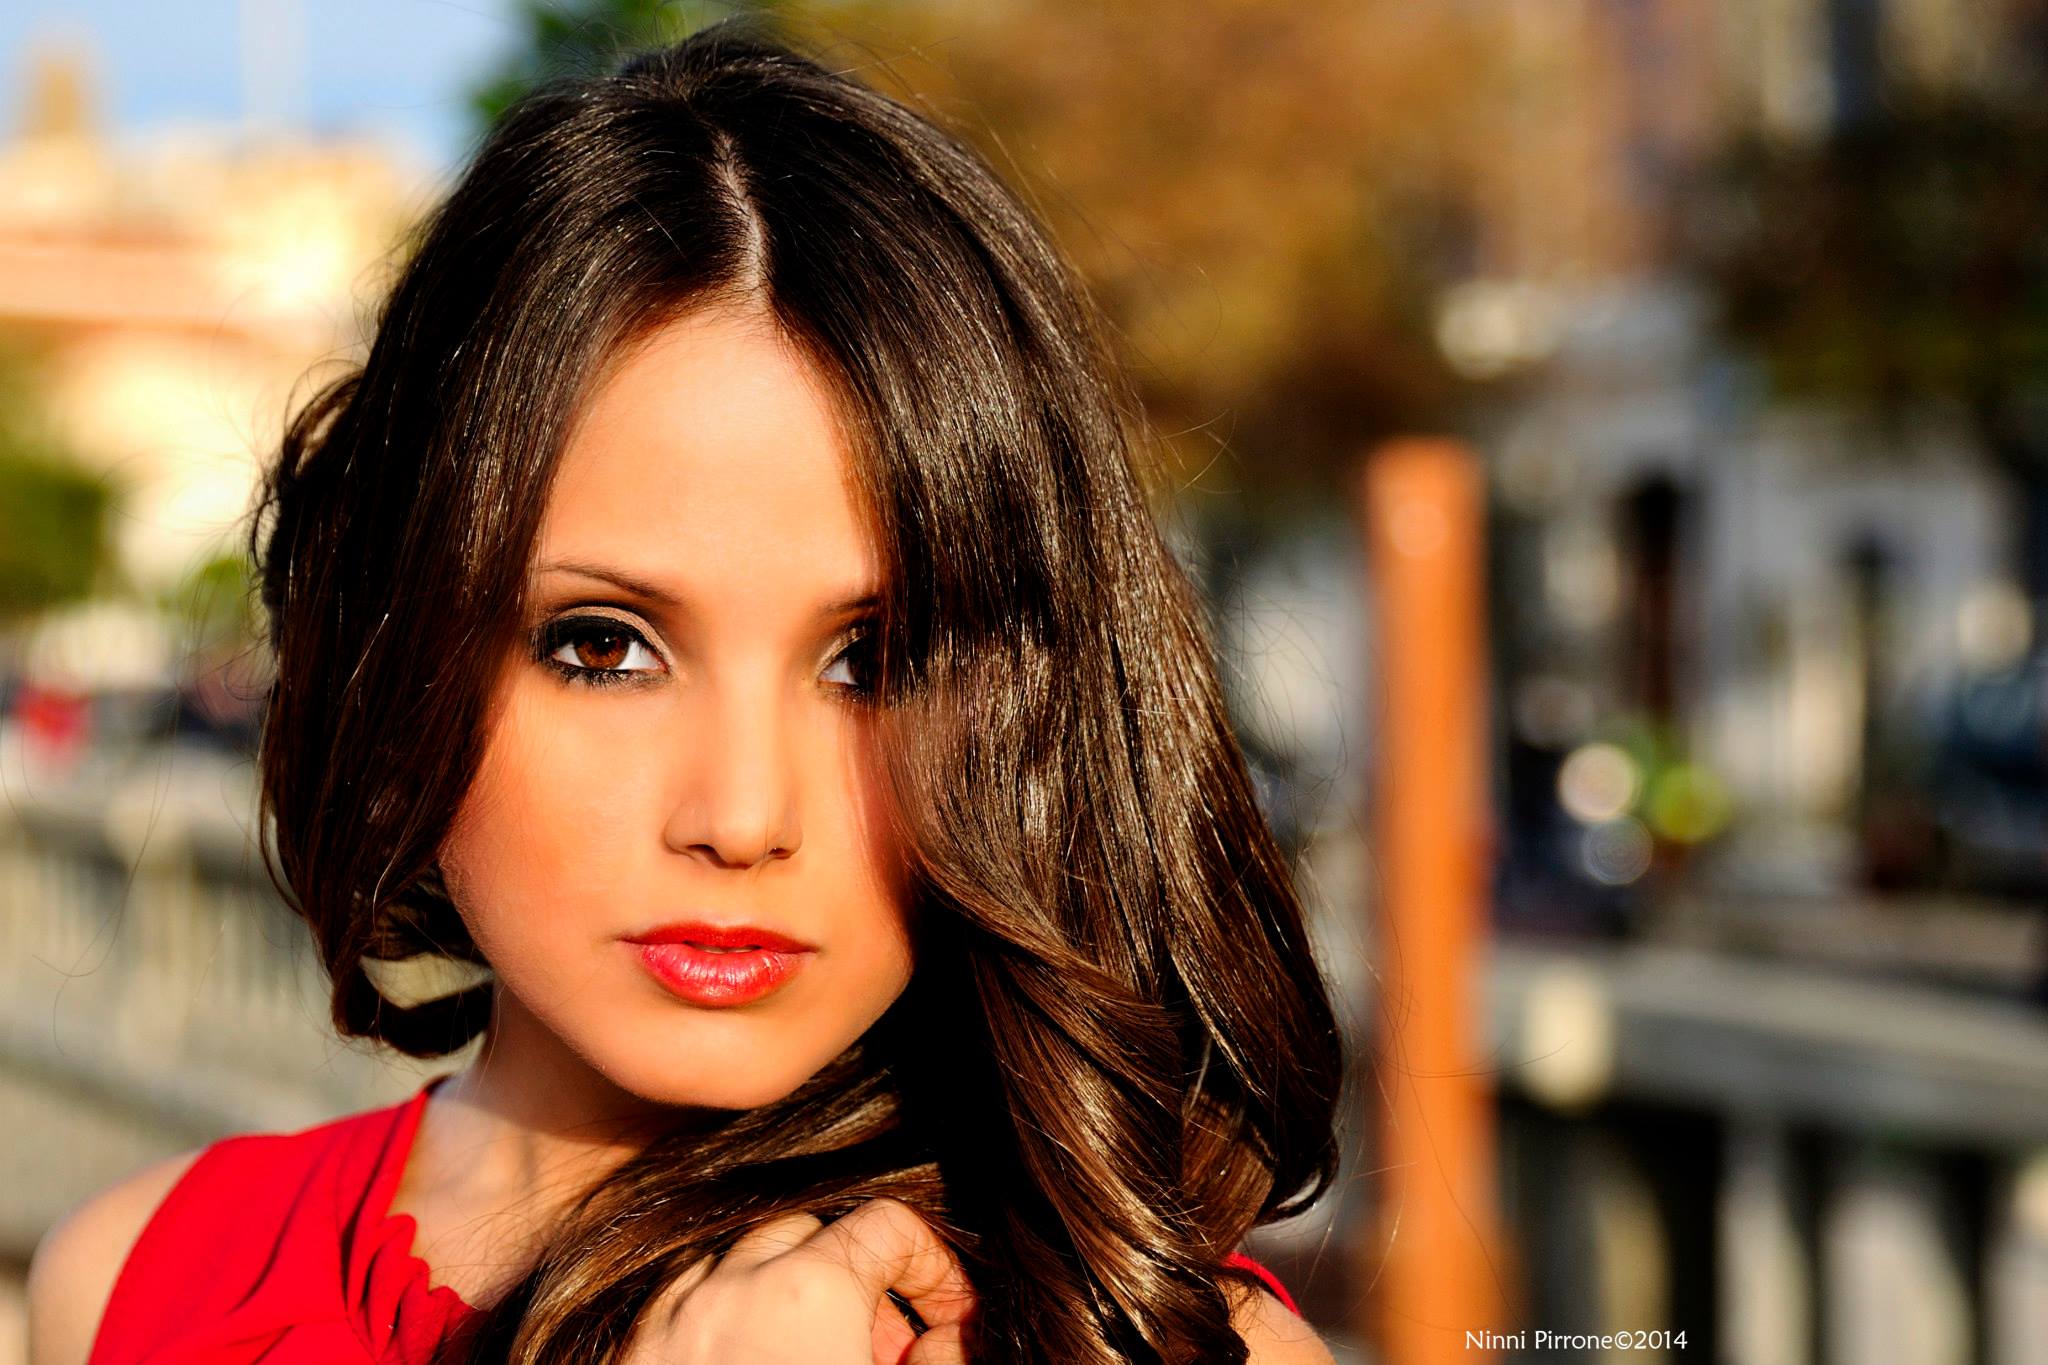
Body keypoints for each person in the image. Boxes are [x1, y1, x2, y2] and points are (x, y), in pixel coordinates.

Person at [27, 21, 1345, 1365]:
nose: (742, 816)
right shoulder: (138, 1284)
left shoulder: (1148, 1341)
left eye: (873, 663)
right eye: (604, 648)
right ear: (406, 642)